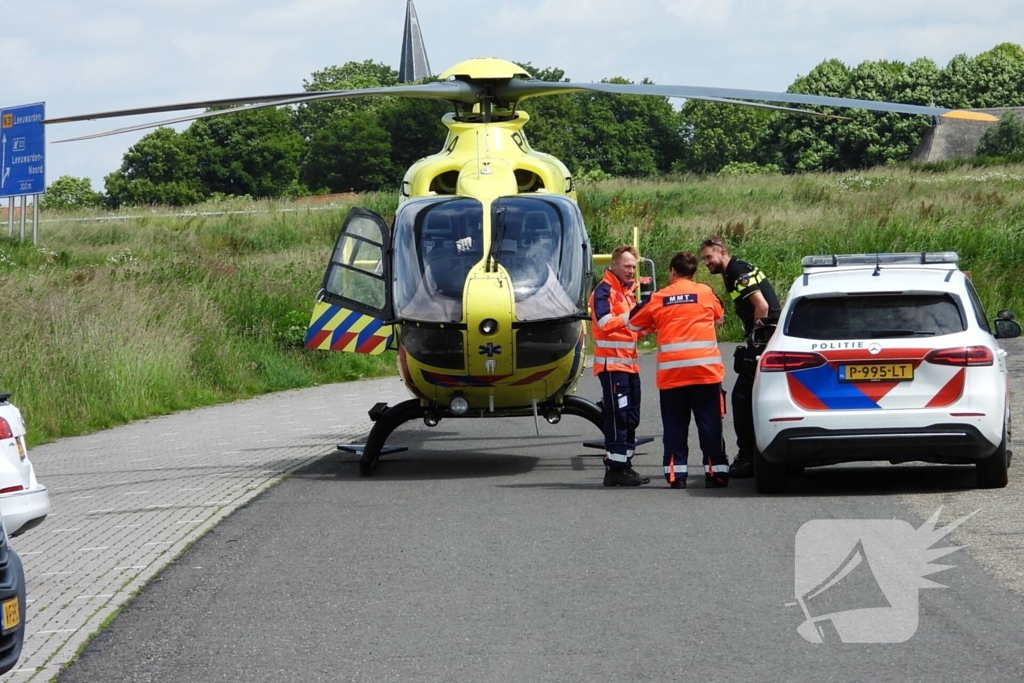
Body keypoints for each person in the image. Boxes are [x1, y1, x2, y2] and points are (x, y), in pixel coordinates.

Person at [627, 252, 729, 488]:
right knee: (710, 424)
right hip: (706, 373)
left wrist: (657, 320)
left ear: (672, 271)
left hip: (673, 376)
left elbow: (633, 323)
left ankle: (676, 475)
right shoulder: (704, 292)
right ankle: (717, 473)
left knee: (675, 426)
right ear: (693, 273)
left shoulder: (659, 297)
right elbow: (719, 316)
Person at [700, 237, 781, 479]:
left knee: (741, 397)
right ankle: (756, 453)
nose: (706, 263)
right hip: (769, 336)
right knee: (752, 395)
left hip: (765, 336)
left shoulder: (735, 270)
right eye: (704, 258)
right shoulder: (736, 269)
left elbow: (762, 306)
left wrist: (756, 343)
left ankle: (748, 458)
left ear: (721, 252)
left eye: (708, 257)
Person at [589, 245, 650, 487]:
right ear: (613, 265)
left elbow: (630, 329)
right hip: (612, 367)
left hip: (629, 366)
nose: (631, 271)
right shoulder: (604, 291)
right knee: (619, 418)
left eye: (634, 267)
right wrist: (633, 317)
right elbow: (605, 322)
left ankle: (624, 466)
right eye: (627, 266)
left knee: (631, 417)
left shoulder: (626, 291)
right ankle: (615, 469)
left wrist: (650, 324)